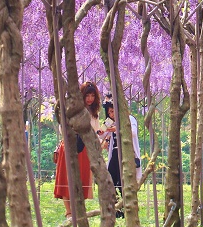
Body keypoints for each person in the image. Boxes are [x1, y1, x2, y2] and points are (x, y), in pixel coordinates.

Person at [54, 81, 101, 217]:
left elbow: (95, 130)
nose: (90, 99)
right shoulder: (74, 109)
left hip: (85, 148)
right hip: (70, 146)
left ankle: (79, 210)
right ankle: (69, 212)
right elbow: (63, 127)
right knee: (66, 178)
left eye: (92, 95)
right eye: (87, 95)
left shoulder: (94, 113)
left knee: (82, 179)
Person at [102, 101, 141, 218]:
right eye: (109, 112)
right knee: (111, 181)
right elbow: (101, 134)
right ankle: (116, 208)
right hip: (114, 155)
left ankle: (127, 207)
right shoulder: (109, 122)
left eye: (113, 111)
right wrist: (102, 131)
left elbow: (133, 132)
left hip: (126, 154)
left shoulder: (129, 119)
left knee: (123, 182)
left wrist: (117, 129)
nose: (111, 114)